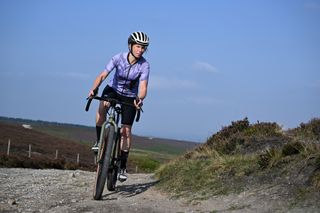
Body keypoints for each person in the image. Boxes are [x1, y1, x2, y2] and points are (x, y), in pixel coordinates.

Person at [88, 31, 150, 182]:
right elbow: (103, 75)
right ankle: (98, 141)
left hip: (130, 97)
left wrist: (139, 98)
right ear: (130, 45)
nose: (140, 50)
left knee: (126, 130)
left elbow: (143, 87)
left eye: (143, 48)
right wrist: (94, 89)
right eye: (138, 46)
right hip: (113, 90)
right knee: (103, 105)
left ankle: (122, 166)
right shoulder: (118, 58)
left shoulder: (144, 65)